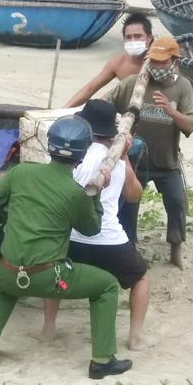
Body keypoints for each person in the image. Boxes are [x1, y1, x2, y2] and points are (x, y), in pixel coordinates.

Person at [0, 115, 132, 379]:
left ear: (49, 146)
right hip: (52, 279)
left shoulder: (21, 172)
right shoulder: (76, 192)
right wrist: (98, 195)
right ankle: (102, 360)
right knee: (106, 286)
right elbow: (91, 229)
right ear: (81, 155)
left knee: (2, 287)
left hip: (9, 271)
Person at [41, 100, 150, 349]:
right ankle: (136, 336)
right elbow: (134, 195)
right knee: (141, 277)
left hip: (70, 237)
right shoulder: (117, 160)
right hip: (108, 239)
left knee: (55, 275)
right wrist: (124, 157)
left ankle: (48, 328)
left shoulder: (72, 158)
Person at [104, 36, 193, 269]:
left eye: (162, 62)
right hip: (136, 162)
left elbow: (190, 126)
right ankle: (129, 248)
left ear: (174, 62)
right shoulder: (134, 83)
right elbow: (105, 103)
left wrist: (170, 110)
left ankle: (175, 250)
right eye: (153, 62)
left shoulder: (182, 87)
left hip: (168, 162)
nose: (156, 67)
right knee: (129, 204)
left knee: (176, 203)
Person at [62, 13, 154, 109]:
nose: (133, 41)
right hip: (129, 107)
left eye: (138, 36)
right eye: (128, 37)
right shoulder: (119, 63)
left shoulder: (161, 60)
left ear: (149, 38)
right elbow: (90, 88)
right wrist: (62, 110)